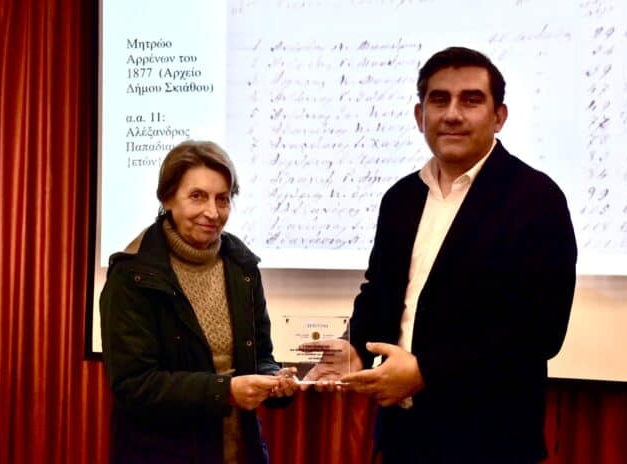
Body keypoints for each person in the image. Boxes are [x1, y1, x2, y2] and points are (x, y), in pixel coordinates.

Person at [306, 47, 577, 463]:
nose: (452, 114)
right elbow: (379, 292)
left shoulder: (537, 199)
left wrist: (426, 372)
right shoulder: (400, 198)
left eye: (470, 100)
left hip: (492, 444)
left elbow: (539, 331)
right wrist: (355, 347)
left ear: (499, 116)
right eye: (439, 100)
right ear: (420, 116)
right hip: (404, 437)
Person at [100, 140, 298, 464]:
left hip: (239, 451)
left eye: (223, 199)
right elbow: (134, 385)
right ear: (167, 199)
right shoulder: (133, 275)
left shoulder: (242, 266)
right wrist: (226, 391)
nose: (212, 212)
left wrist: (275, 380)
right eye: (197, 196)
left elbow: (260, 354)